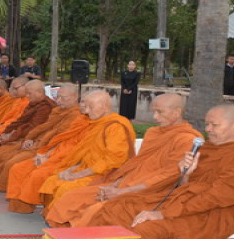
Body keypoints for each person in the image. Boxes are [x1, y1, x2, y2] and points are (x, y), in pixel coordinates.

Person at [84, 104, 234, 239]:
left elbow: (216, 198)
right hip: (179, 203)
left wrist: (162, 214)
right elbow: (186, 187)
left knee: (145, 229)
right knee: (118, 206)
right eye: (207, 125)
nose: (208, 130)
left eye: (214, 125)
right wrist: (186, 174)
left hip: (209, 216)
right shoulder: (206, 149)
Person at [46, 94, 201, 227]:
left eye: (160, 112)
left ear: (177, 112)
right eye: (153, 112)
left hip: (150, 192)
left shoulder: (187, 139)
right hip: (126, 182)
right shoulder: (153, 132)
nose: (155, 117)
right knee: (71, 198)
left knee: (94, 212)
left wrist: (122, 192)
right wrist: (115, 184)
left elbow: (168, 177)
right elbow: (136, 164)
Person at [38, 91, 136, 211]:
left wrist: (77, 175)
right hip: (89, 169)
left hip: (107, 174)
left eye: (91, 107)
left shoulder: (116, 127)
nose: (87, 111)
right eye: (86, 106)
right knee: (52, 180)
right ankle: (52, 215)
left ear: (104, 107)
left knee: (65, 188)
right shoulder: (97, 123)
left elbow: (113, 161)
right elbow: (85, 153)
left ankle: (64, 224)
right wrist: (70, 170)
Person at [0, 84, 81, 192]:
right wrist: (29, 139)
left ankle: (16, 193)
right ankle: (7, 188)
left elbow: (61, 137)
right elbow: (42, 127)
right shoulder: (57, 111)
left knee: (14, 165)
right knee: (2, 153)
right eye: (58, 97)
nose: (59, 100)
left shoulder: (77, 116)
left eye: (63, 97)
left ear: (75, 97)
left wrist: (45, 151)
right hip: (37, 143)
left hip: (49, 149)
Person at [0, 80, 55, 179]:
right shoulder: (33, 103)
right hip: (19, 134)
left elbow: (33, 127)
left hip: (29, 138)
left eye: (29, 93)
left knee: (1, 153)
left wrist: (11, 136)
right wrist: (6, 132)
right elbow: (19, 121)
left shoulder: (46, 107)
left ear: (40, 92)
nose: (27, 96)